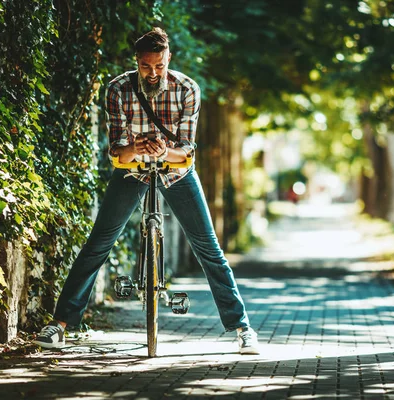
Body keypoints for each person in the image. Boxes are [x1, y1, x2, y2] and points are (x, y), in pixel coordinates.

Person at [33, 27, 259, 355]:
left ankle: (242, 328)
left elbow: (186, 152)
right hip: (131, 172)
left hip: (178, 174)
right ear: (136, 61)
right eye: (145, 66)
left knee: (209, 250)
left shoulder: (187, 90)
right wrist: (136, 147)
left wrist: (161, 151)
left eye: (159, 66)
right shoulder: (117, 89)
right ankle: (60, 325)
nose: (152, 73)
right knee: (98, 243)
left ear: (168, 58)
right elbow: (117, 154)